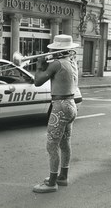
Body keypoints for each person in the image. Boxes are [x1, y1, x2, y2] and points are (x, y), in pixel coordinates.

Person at [32, 34, 79, 193]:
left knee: (52, 145)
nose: (50, 51)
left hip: (59, 105)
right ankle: (63, 176)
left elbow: (37, 82)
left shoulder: (57, 64)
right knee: (65, 143)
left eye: (53, 49)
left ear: (59, 50)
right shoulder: (72, 62)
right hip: (71, 104)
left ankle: (52, 183)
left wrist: (39, 66)